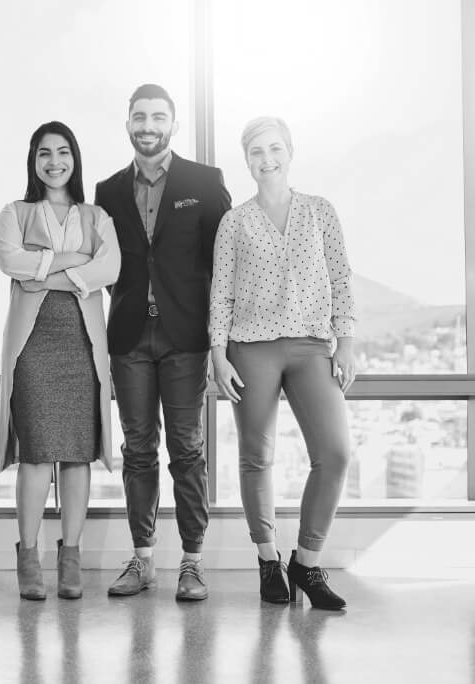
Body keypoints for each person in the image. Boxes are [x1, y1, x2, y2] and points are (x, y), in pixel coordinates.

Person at [209, 116, 355, 610]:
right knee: (256, 456)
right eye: (256, 152)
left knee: (334, 453)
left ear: (290, 151)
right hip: (249, 347)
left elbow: (341, 276)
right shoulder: (234, 221)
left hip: (313, 346)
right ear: (246, 160)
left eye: (274, 148)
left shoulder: (320, 212)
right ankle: (268, 560)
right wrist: (217, 354)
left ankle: (307, 563)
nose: (266, 159)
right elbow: (221, 293)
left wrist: (348, 342)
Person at [95, 83, 231, 601]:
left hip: (186, 337)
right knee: (138, 451)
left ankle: (192, 562)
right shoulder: (107, 191)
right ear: (128, 123)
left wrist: (218, 333)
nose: (148, 126)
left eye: (157, 117)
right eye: (139, 117)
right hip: (129, 336)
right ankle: (144, 559)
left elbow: (225, 262)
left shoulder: (204, 180)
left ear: (172, 123)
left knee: (187, 450)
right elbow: (106, 263)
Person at [0, 121, 121, 600]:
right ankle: (29, 555)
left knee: (76, 453)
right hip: (32, 346)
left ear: (75, 158)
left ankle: (71, 556)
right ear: (33, 159)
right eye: (44, 153)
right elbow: (10, 261)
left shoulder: (97, 214)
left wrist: (44, 267)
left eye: (63, 152)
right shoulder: (15, 211)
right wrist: (74, 262)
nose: (53, 161)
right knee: (35, 453)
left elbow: (109, 268)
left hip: (83, 345)